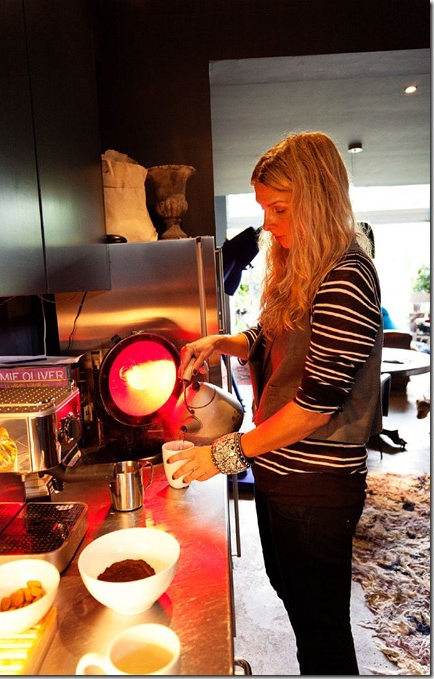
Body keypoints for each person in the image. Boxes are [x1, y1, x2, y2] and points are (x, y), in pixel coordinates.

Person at [168, 131, 383, 676]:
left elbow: (315, 407)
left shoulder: (346, 277)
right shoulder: (302, 264)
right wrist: (224, 341)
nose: (267, 224)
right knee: (295, 600)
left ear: (319, 199)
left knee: (322, 636)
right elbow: (271, 337)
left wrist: (223, 455)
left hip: (315, 485)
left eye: (280, 209)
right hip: (280, 472)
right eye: (264, 208)